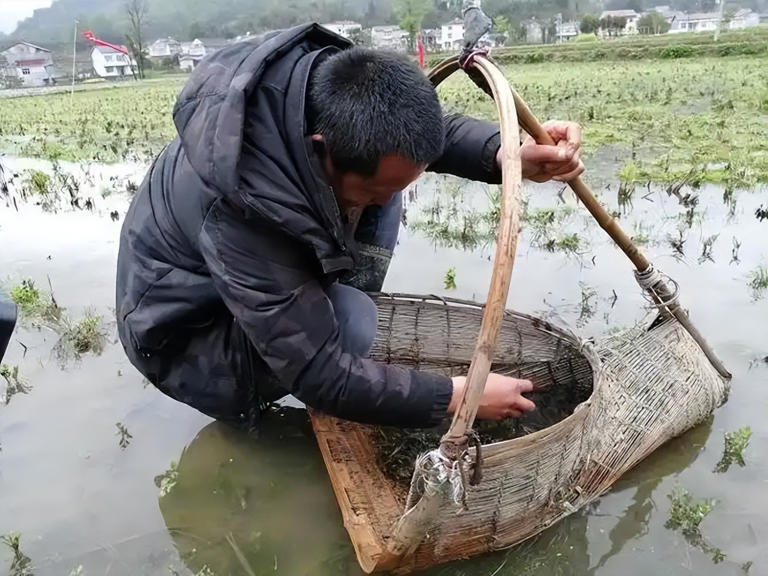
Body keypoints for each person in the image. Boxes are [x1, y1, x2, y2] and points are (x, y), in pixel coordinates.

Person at [116, 23, 584, 430]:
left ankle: (332, 317)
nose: (378, 205)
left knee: (386, 190)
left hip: (243, 278)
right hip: (188, 342)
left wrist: (503, 153)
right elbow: (319, 373)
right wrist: (457, 396)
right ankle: (294, 365)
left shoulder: (319, 92)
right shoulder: (245, 207)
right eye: (369, 192)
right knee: (352, 322)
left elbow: (414, 135)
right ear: (321, 150)